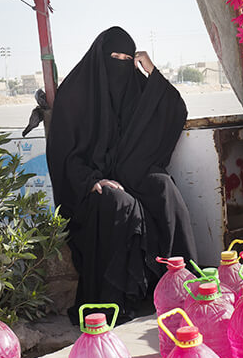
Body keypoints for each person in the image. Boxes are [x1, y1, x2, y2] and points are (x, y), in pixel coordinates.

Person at [47, 27, 197, 323]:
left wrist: (150, 69)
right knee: (119, 203)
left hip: (130, 173)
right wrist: (93, 181)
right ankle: (114, 302)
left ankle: (182, 284)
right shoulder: (76, 94)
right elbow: (64, 155)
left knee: (164, 187)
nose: (121, 64)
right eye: (114, 57)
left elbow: (173, 109)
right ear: (100, 58)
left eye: (127, 59)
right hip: (88, 187)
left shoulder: (134, 85)